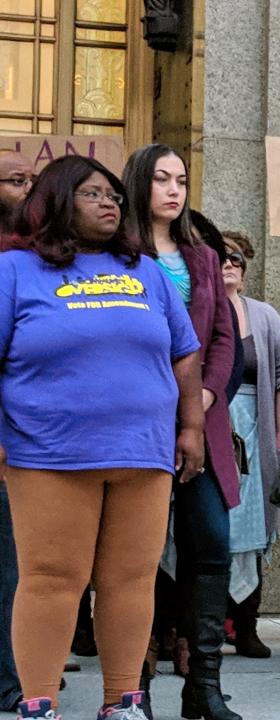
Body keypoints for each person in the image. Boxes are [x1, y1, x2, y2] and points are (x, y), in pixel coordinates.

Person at [0, 155, 204, 720]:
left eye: (113, 194)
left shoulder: (145, 273)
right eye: (92, 194)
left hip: (142, 452)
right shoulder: (14, 272)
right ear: (57, 202)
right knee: (52, 580)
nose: (110, 202)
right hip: (49, 453)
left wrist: (190, 427)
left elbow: (184, 354)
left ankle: (123, 702)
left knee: (131, 581)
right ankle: (39, 702)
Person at [123, 144, 241, 720]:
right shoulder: (114, 254)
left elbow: (224, 338)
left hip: (201, 425)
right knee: (132, 558)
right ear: (139, 184)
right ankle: (133, 688)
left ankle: (204, 687)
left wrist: (203, 398)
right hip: (134, 423)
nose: (174, 190)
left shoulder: (200, 255)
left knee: (211, 546)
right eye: (162, 179)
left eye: (183, 180)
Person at [220, 233, 280, 659]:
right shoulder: (198, 311)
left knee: (252, 528)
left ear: (246, 272)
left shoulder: (265, 316)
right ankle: (206, 626)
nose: (228, 264)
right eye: (219, 257)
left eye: (235, 259)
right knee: (210, 527)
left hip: (256, 433)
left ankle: (246, 625)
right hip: (212, 429)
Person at [0, 149, 33, 713]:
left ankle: (12, 679)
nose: (29, 188)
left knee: (13, 567)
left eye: (33, 179)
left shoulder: (37, 257)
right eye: (17, 180)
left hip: (21, 439)